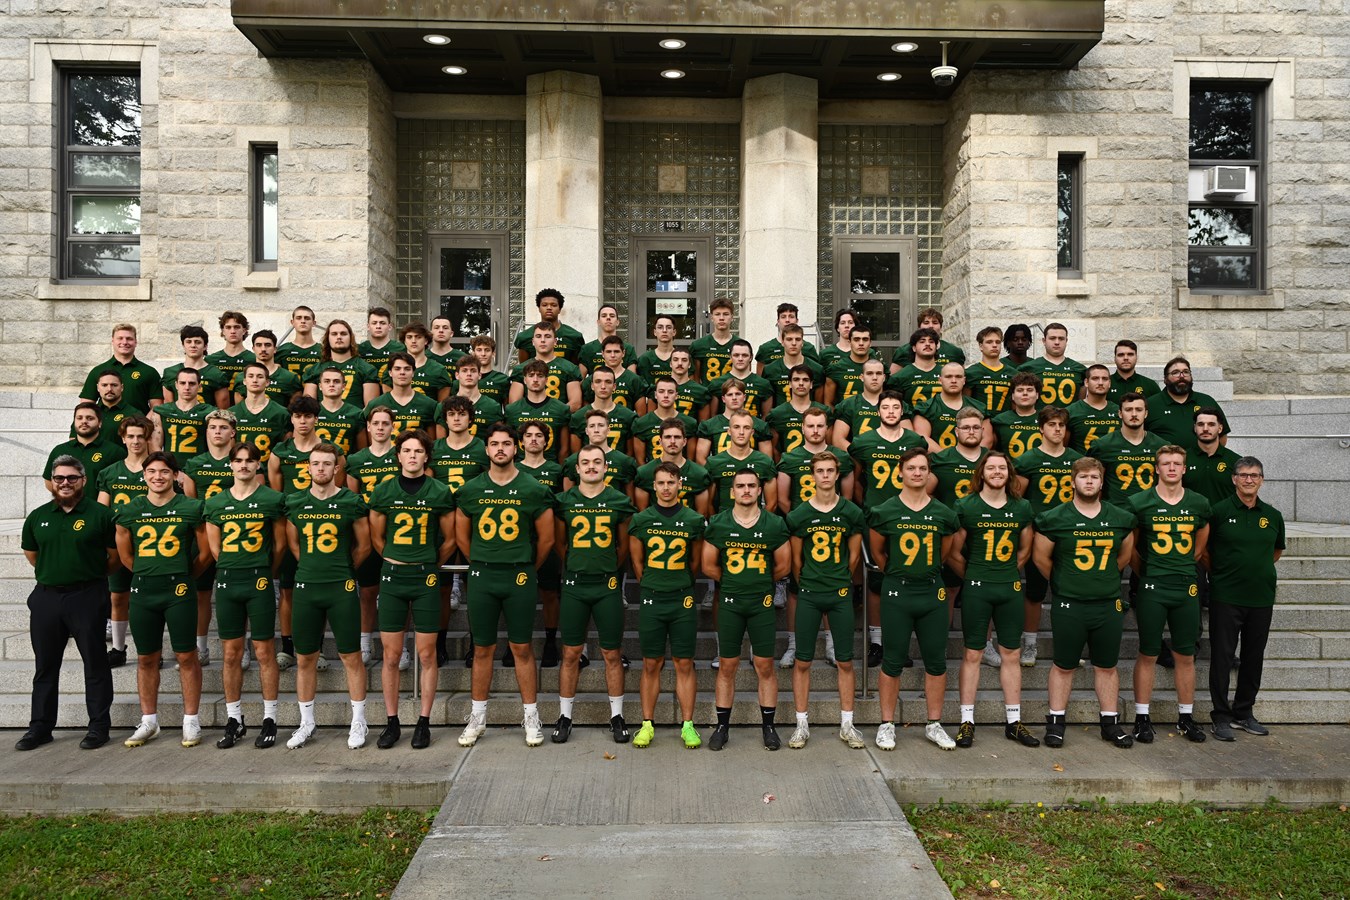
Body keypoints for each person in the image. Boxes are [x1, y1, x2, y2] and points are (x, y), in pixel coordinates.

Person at [455, 423, 557, 747]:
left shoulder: (533, 487)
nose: (500, 449)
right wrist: (484, 562)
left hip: (519, 576)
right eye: (495, 444)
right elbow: (461, 536)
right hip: (483, 575)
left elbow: (547, 539)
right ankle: (477, 717)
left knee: (522, 648)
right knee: (482, 648)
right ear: (486, 449)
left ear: (516, 448)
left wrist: (525, 565)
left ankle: (530, 716)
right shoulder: (471, 489)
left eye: (507, 444)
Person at [1031, 457, 1137, 749]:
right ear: (1073, 481)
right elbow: (1041, 558)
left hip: (1107, 603)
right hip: (1070, 604)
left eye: (1094, 477)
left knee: (1107, 665)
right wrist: (1068, 581)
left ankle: (1110, 723)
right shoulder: (1055, 517)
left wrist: (1100, 580)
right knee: (1063, 665)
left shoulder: (1120, 517)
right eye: (1084, 477)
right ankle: (1055, 722)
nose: (1089, 482)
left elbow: (1124, 557)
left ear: (1102, 482)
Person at [17, 456, 117, 751]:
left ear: (83, 480)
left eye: (72, 478)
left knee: (95, 663)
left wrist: (88, 576)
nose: (65, 483)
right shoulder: (38, 516)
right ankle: (40, 727)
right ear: (52, 481)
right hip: (47, 598)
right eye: (59, 478)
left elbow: (114, 557)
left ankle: (99, 727)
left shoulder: (101, 515)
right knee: (45, 666)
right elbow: (33, 555)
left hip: (87, 596)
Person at [115, 452, 210, 748]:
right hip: (144, 590)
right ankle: (149, 721)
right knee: (146, 658)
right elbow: (126, 555)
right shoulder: (129, 510)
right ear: (144, 475)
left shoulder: (192, 507)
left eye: (164, 472)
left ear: (175, 476)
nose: (158, 477)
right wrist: (149, 573)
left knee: (186, 655)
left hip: (178, 590)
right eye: (152, 471)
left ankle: (191, 720)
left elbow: (205, 553)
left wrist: (182, 575)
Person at [867, 449, 960, 751]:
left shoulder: (943, 513)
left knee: (936, 661)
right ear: (900, 472)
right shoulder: (885, 510)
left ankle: (933, 724)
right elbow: (879, 553)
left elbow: (945, 552)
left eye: (923, 468)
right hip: (898, 591)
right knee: (892, 660)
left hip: (932, 591)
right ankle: (886, 724)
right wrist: (897, 573)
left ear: (929, 473)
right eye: (911, 468)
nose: (917, 473)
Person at [368, 429, 456, 750]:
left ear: (426, 456)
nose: (412, 456)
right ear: (399, 456)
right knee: (391, 655)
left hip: (425, 578)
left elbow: (450, 539)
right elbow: (377, 537)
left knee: (427, 653)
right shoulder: (384, 490)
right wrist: (394, 561)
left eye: (418, 451)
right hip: (393, 577)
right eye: (407, 450)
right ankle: (392, 722)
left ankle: (423, 721)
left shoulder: (439, 491)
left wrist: (429, 563)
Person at [283, 442, 372, 750]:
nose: (320, 468)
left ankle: (358, 720)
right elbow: (294, 546)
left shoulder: (351, 501)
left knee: (351, 655)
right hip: (307, 586)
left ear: (336, 469)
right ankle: (306, 722)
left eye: (326, 464)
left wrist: (343, 571)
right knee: (305, 657)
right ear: (308, 467)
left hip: (341, 587)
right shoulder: (295, 502)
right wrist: (312, 568)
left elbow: (364, 545)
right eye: (315, 463)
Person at [948, 451, 1039, 748]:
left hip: (1009, 587)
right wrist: (975, 575)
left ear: (1009, 473)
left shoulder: (1022, 506)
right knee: (973, 653)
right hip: (977, 587)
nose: (997, 472)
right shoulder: (966, 505)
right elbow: (953, 552)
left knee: (1011, 654)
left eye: (1002, 467)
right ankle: (967, 721)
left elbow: (1026, 550)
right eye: (991, 467)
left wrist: (1007, 572)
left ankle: (1013, 721)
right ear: (981, 472)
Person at [204, 442, 287, 749]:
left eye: (249, 461)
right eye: (237, 460)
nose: (243, 465)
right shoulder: (215, 502)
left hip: (258, 579)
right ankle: (234, 719)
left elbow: (279, 546)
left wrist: (264, 571)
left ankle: (270, 718)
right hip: (228, 581)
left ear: (257, 465)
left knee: (265, 651)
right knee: (230, 654)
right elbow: (215, 549)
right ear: (231, 465)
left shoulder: (272, 499)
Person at [553, 444, 638, 744]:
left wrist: (607, 569)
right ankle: (565, 716)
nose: (591, 467)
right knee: (571, 653)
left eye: (597, 462)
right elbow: (560, 544)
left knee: (612, 654)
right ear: (576, 468)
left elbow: (624, 545)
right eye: (585, 462)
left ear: (605, 467)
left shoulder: (618, 500)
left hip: (606, 585)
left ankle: (617, 715)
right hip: (575, 584)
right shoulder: (565, 501)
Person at [702, 470, 791, 750]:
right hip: (730, 602)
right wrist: (732, 583)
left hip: (761, 603)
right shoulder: (718, 522)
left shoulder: (774, 523)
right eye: (740, 486)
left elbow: (784, 565)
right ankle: (722, 727)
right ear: (732, 491)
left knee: (764, 665)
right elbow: (708, 564)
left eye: (752, 485)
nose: (746, 490)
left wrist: (759, 584)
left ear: (760, 490)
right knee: (727, 665)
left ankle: (768, 727)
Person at [1127, 445, 1211, 744]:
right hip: (1153, 585)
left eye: (1177, 463)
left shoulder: (1198, 502)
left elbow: (1201, 540)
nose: (1172, 468)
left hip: (1185, 585)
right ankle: (1141, 717)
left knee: (1185, 655)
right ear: (1157, 469)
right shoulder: (1140, 501)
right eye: (1166, 463)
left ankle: (1186, 716)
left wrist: (1186, 563)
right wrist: (1147, 572)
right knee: (1148, 652)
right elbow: (1132, 548)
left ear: (1184, 468)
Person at [784, 451, 867, 749]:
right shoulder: (800, 514)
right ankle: (801, 724)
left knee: (845, 661)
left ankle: (847, 723)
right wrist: (809, 581)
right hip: (809, 593)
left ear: (837, 474)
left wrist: (839, 580)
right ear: (813, 475)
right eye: (820, 471)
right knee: (803, 661)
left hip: (840, 593)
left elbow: (854, 555)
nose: (826, 476)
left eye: (830, 470)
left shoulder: (851, 512)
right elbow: (795, 561)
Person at [1205, 457, 1285, 742]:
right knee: (1223, 657)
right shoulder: (1218, 511)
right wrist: (1224, 573)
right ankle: (1221, 717)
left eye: (1255, 475)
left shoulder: (1273, 515)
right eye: (1243, 475)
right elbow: (1203, 551)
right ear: (1234, 479)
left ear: (1262, 479)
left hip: (1261, 597)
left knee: (1254, 657)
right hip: (1226, 595)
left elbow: (1275, 552)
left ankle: (1244, 712)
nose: (1249, 479)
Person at [628, 462, 707, 749]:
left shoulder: (693, 519)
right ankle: (647, 723)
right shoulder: (642, 519)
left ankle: (688, 724)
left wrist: (678, 584)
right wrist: (653, 584)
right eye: (660, 483)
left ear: (680, 485)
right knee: (651, 663)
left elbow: (695, 562)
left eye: (670, 482)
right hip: (652, 597)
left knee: (684, 662)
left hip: (681, 598)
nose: (665, 488)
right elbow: (637, 563)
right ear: (654, 486)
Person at [848, 390, 926, 668]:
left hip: (909, 518)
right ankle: (878, 643)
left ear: (902, 410)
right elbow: (856, 479)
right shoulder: (863, 441)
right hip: (876, 518)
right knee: (878, 581)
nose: (891, 411)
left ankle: (898, 642)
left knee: (902, 579)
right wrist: (868, 506)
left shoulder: (914, 441)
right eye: (886, 407)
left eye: (896, 406)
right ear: (877, 411)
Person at [269, 395, 341, 670]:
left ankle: (317, 647)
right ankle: (288, 646)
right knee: (288, 591)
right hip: (292, 525)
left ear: (316, 419)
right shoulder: (280, 452)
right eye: (298, 416)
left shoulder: (330, 452)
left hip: (322, 527)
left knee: (319, 588)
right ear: (291, 418)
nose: (303, 421)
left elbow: (337, 486)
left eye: (308, 416)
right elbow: (277, 496)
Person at [1010, 406, 1082, 667]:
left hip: (1070, 532)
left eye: (1061, 425)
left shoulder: (1076, 459)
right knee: (1036, 591)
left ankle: (1071, 644)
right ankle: (1030, 644)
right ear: (1041, 428)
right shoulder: (1029, 459)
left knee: (1072, 589)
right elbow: (1016, 498)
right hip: (1040, 532)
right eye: (1052, 425)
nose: (1057, 430)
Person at [96, 415, 153, 668]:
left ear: (148, 438)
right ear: (123, 438)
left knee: (150, 600)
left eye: (141, 436)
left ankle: (153, 649)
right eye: (130, 436)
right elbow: (102, 510)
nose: (136, 441)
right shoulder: (110, 472)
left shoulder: (156, 470)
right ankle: (118, 649)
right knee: (118, 597)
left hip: (152, 543)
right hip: (120, 543)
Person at [347, 406, 401, 667]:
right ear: (367, 427)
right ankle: (365, 642)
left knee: (398, 592)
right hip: (367, 531)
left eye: (385, 423)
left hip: (397, 531)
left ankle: (400, 647)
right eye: (375, 423)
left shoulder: (401, 455)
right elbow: (354, 499)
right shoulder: (356, 460)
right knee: (368, 591)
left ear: (393, 427)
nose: (380, 428)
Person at [1089, 392, 1169, 503]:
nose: (1134, 414)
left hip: (1149, 509)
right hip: (1116, 511)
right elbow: (1094, 484)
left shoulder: (1161, 446)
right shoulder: (1103, 445)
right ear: (1120, 413)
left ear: (1146, 413)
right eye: (1128, 410)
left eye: (1139, 410)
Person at [1146, 356, 1231, 453]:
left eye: (1186, 372)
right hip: (1166, 465)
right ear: (1165, 379)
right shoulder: (1151, 404)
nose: (1182, 376)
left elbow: (1222, 436)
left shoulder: (1206, 401)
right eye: (1175, 373)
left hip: (1201, 464)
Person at [45, 402, 125, 498]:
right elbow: (48, 481)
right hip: (68, 510)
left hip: (100, 511)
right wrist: (67, 498)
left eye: (90, 418)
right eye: (79, 418)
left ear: (100, 423)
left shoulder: (115, 452)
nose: (84, 421)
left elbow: (122, 484)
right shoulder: (59, 451)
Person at [704, 410, 778, 514]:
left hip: (756, 525)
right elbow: (708, 503)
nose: (741, 432)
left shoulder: (764, 462)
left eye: (746, 428)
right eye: (736, 427)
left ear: (752, 432)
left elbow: (772, 503)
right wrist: (718, 525)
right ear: (729, 431)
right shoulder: (714, 462)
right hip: (724, 526)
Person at [634, 419, 712, 514]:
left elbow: (701, 514)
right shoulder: (645, 472)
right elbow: (643, 512)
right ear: (660, 441)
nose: (672, 441)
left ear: (684, 441)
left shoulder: (699, 473)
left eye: (677, 437)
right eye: (667, 437)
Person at [80, 323, 161, 414]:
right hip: (105, 426)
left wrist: (144, 425)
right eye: (120, 338)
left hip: (138, 426)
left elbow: (157, 406)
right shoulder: (97, 371)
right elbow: (86, 406)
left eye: (129, 339)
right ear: (113, 341)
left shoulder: (149, 372)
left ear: (135, 342)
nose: (125, 342)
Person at [504, 358, 572, 463]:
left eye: (540, 376)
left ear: (546, 380)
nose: (535, 380)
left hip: (550, 470)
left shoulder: (561, 409)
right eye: (531, 375)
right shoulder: (512, 410)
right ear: (524, 380)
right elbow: (508, 444)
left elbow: (564, 449)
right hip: (520, 470)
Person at [914, 363, 993, 451]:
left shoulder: (979, 407)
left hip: (972, 462)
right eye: (948, 377)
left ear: (964, 380)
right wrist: (948, 459)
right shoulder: (926, 407)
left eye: (958, 377)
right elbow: (923, 439)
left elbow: (987, 439)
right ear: (940, 380)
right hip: (938, 462)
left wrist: (971, 457)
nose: (954, 380)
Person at [302, 319, 381, 407]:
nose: (339, 337)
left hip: (354, 419)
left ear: (351, 337)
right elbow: (308, 409)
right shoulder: (315, 370)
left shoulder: (366, 369)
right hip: (323, 419)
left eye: (343, 334)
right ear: (327, 338)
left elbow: (370, 409)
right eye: (334, 334)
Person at [695, 378, 774, 464]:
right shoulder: (709, 425)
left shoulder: (759, 425)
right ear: (723, 399)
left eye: (738, 394)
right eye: (729, 394)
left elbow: (767, 461)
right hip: (720, 473)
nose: (734, 398)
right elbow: (700, 459)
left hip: (749, 472)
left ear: (744, 397)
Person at [509, 320, 583, 410]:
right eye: (538, 336)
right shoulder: (520, 369)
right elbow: (514, 403)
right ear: (533, 341)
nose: (543, 340)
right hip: (529, 421)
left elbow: (575, 403)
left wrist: (552, 415)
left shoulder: (569, 368)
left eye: (547, 336)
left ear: (555, 341)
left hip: (557, 420)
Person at [562, 410, 637, 497]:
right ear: (586, 431)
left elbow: (629, 500)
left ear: (608, 430)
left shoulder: (624, 461)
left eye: (601, 425)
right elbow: (568, 498)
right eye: (592, 426)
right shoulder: (572, 461)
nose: (596, 430)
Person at [766, 364, 832, 459]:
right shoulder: (777, 414)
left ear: (811, 384)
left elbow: (829, 444)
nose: (801, 383)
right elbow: (775, 449)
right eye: (796, 379)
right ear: (789, 383)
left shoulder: (824, 411)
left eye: (805, 380)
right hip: (791, 467)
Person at [569, 366, 638, 457]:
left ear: (614, 387)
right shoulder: (578, 416)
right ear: (592, 386)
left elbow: (630, 453)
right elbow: (576, 454)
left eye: (608, 382)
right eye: (598, 381)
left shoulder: (628, 416)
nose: (603, 386)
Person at [366, 351, 439, 437]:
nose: (402, 372)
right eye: (397, 369)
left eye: (407, 369)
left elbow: (431, 441)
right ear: (390, 372)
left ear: (413, 373)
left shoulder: (429, 404)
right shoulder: (375, 404)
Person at [228, 362, 291, 461]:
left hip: (268, 472)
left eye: (260, 376)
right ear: (244, 381)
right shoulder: (232, 413)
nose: (255, 380)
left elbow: (287, 448)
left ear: (267, 382)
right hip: (240, 472)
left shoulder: (281, 413)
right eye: (251, 376)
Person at [161, 325, 231, 408]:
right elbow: (168, 408)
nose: (193, 345)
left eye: (197, 342)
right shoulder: (171, 373)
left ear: (205, 346)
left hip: (206, 419)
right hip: (178, 419)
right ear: (183, 345)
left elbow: (223, 410)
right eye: (188, 342)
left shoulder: (216, 374)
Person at [150, 367, 214, 459]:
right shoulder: (161, 412)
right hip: (170, 468)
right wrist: (167, 466)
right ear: (176, 385)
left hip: (198, 468)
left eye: (192, 383)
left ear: (199, 386)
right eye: (182, 383)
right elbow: (155, 445)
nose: (187, 387)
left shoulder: (210, 412)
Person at [632, 377, 697, 464]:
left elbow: (690, 460)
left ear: (676, 395)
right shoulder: (642, 423)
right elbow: (640, 462)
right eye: (661, 391)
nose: (666, 395)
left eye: (670, 392)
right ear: (655, 395)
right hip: (652, 475)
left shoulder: (689, 423)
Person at [1018, 322, 1085, 408]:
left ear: (1066, 341)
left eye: (1061, 338)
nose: (1057, 342)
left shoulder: (1080, 369)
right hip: (1038, 420)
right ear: (1044, 341)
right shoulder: (1028, 368)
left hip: (1070, 419)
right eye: (1052, 338)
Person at [513, 288, 585, 364]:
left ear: (560, 309)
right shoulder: (525, 337)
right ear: (539, 309)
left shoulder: (573, 336)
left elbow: (576, 369)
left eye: (553, 305)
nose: (549, 308)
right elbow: (523, 368)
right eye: (544, 305)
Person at [1184, 407, 1241, 505]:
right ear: (1195, 428)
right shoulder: (1183, 458)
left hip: (1224, 519)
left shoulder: (1236, 461)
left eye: (1211, 424)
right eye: (1200, 424)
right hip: (1192, 518)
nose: (1205, 429)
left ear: (1220, 428)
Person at [830, 356, 889, 448]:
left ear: (884, 377)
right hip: (856, 458)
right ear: (862, 377)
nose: (874, 377)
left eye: (878, 373)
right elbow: (838, 440)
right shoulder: (848, 404)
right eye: (869, 373)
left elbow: (907, 438)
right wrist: (859, 456)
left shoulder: (896, 404)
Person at [709, 339, 773, 419]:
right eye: (736, 355)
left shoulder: (763, 384)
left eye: (744, 355)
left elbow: (765, 417)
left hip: (753, 428)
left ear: (751, 357)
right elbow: (713, 416)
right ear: (730, 357)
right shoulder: (717, 383)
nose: (740, 359)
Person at [762, 323, 824, 405]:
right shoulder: (770, 370)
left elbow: (818, 403)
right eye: (789, 339)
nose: (794, 343)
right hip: (780, 416)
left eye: (798, 339)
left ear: (802, 342)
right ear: (782, 342)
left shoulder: (816, 369)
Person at [238, 329, 303, 408]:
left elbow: (295, 410)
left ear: (275, 349)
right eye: (259, 345)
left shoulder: (289, 377)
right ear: (253, 349)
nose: (263, 349)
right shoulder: (241, 377)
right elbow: (239, 411)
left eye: (268, 345)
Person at [445, 353, 504, 436]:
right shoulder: (445, 405)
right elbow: (441, 443)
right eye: (464, 370)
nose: (469, 374)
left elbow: (498, 438)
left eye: (473, 370)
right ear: (457, 375)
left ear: (479, 375)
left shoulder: (492, 406)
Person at [586, 335, 648, 411]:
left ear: (623, 353)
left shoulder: (634, 380)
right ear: (602, 354)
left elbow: (640, 416)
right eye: (608, 352)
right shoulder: (591, 380)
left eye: (616, 351)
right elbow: (586, 412)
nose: (612, 355)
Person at [314, 365, 366, 456]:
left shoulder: (356, 413)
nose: (331, 384)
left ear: (343, 386)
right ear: (320, 386)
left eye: (336, 381)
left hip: (345, 466)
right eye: (327, 381)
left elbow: (361, 451)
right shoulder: (311, 411)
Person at [1066, 364, 1119, 453]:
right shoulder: (1071, 411)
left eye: (1105, 379)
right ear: (1086, 382)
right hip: (1082, 465)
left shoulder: (1119, 411)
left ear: (1109, 383)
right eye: (1095, 378)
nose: (1100, 383)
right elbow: (1064, 447)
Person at [892, 307, 966, 370]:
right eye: (926, 322)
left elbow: (962, 379)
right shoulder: (903, 351)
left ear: (941, 327)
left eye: (935, 322)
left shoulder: (954, 352)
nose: (931, 326)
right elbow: (894, 381)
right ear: (919, 327)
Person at [991, 372, 1043, 461]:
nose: (1025, 393)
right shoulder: (1000, 420)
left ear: (1037, 395)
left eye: (1030, 390)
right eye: (1020, 390)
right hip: (1010, 471)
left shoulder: (1046, 418)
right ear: (1013, 396)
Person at [886, 327, 943, 409]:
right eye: (922, 341)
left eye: (931, 341)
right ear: (914, 348)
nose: (927, 344)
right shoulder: (900, 377)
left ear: (936, 346)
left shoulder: (946, 374)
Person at [755, 303, 822, 372]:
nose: (787, 320)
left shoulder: (809, 348)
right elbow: (761, 379)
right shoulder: (766, 349)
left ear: (797, 321)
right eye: (783, 317)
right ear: (778, 321)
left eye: (791, 316)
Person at [964, 326, 1014, 417]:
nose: (994, 345)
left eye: (998, 342)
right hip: (979, 423)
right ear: (980, 346)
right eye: (989, 342)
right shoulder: (971, 372)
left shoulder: (1012, 373)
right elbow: (966, 402)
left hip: (1004, 423)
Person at [823, 323, 876, 407]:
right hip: (844, 417)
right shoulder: (836, 368)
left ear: (870, 343)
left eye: (865, 339)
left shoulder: (879, 369)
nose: (861, 343)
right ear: (850, 342)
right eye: (856, 339)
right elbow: (828, 403)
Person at [395, 324, 452, 402]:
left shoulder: (439, 370)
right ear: (404, 341)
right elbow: (389, 401)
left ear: (426, 341)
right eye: (409, 337)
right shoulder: (394, 368)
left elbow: (441, 406)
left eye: (418, 337)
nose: (414, 341)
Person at [577, 302, 638, 375]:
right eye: (604, 316)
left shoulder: (628, 349)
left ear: (617, 322)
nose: (608, 318)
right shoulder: (587, 349)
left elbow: (632, 380)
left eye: (612, 316)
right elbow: (580, 380)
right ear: (598, 322)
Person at [690, 296, 738, 382]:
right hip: (707, 393)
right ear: (712, 317)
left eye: (726, 314)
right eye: (717, 314)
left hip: (732, 394)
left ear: (732, 317)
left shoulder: (740, 344)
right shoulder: (698, 345)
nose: (721, 318)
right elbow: (695, 380)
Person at [207, 311, 255, 391]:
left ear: (244, 330)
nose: (232, 331)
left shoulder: (254, 359)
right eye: (228, 327)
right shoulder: (211, 360)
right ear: (223, 331)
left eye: (237, 327)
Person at [358, 306, 406, 384]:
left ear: (390, 326)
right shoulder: (360, 349)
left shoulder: (400, 348)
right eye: (374, 323)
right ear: (368, 326)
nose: (378, 326)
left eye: (382, 323)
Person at [275, 305, 322, 378]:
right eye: (299, 318)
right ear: (292, 322)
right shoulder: (282, 350)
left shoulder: (322, 350)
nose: (303, 321)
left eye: (307, 318)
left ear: (314, 323)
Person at [1108, 339, 1160, 404]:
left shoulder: (1150, 385)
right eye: (1121, 355)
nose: (1126, 358)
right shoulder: (1104, 384)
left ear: (1136, 358)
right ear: (1114, 359)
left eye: (1130, 354)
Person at [88, 371, 132, 445]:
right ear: (98, 388)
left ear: (122, 387)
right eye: (104, 385)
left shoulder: (133, 414)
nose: (109, 389)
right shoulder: (85, 414)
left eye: (114, 385)